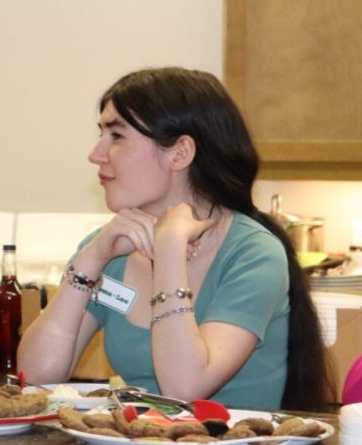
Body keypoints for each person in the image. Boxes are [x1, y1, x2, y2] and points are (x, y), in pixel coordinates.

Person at [18, 67, 334, 411]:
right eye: (101, 134)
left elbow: (184, 387)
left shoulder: (254, 254)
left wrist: (169, 252)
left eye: (117, 136)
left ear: (179, 153)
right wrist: (89, 261)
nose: (96, 154)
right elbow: (34, 377)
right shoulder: (111, 248)